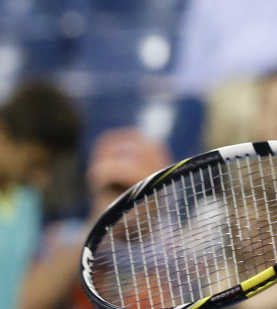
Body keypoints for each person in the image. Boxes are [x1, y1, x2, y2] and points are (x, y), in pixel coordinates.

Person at [18, 128, 173, 309]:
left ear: (159, 196)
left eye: (134, 191)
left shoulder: (183, 246)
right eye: (113, 189)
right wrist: (93, 233)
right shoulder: (63, 237)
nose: (122, 202)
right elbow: (26, 303)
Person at [0, 81, 80, 309]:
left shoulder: (28, 199)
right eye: (35, 164)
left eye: (49, 167)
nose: (42, 179)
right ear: (1, 133)